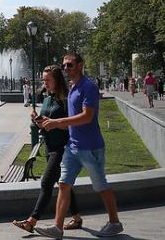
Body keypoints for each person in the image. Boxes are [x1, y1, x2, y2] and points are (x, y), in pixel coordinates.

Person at [34, 53, 123, 239]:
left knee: (101, 186)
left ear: (80, 65)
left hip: (90, 147)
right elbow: (70, 119)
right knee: (63, 184)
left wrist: (56, 122)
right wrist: (46, 122)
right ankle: (57, 228)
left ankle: (114, 222)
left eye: (70, 65)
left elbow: (87, 117)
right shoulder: (73, 88)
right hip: (72, 147)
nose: (66, 69)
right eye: (64, 66)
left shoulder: (88, 87)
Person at [12, 65, 83, 234]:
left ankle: (31, 221)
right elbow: (46, 124)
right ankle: (77, 218)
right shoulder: (47, 98)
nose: (45, 83)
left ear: (57, 80)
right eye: (44, 80)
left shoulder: (67, 100)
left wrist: (54, 124)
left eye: (48, 80)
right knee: (63, 184)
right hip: (50, 147)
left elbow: (74, 126)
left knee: (46, 182)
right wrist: (38, 121)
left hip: (63, 148)